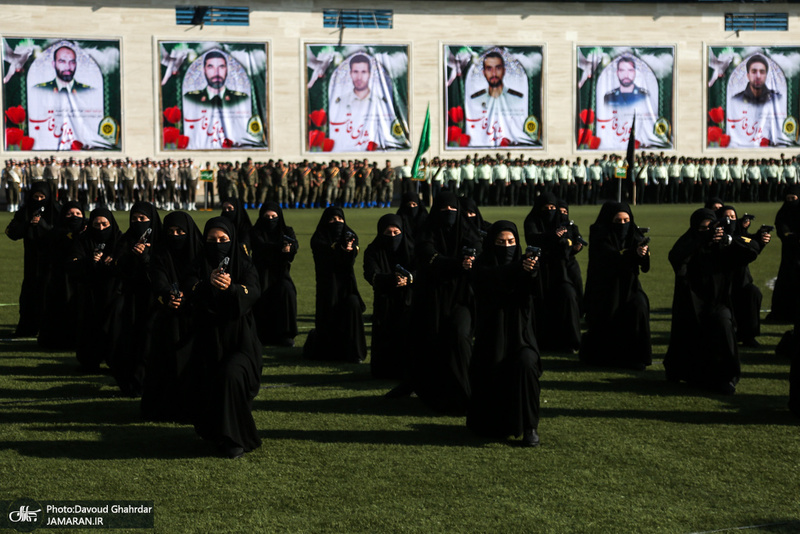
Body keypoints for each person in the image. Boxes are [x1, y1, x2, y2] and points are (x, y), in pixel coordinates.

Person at [189, 217, 262, 459]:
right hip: (208, 343)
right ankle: (218, 432)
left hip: (240, 342)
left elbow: (252, 292)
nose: (217, 244)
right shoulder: (197, 265)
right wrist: (208, 285)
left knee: (231, 375)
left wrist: (231, 288)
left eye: (223, 240)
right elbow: (191, 290)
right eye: (211, 240)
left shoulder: (244, 266)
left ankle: (236, 439)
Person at [664, 208, 758, 394]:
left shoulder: (723, 243)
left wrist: (729, 241)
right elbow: (677, 257)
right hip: (691, 301)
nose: (708, 231)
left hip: (719, 300)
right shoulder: (689, 241)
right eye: (702, 228)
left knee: (723, 324)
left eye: (711, 227)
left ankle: (727, 377)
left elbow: (752, 249)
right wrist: (702, 240)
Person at [467, 220, 542, 447]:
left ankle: (530, 427)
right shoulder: (481, 266)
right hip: (492, 335)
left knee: (527, 364)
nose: (506, 246)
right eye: (501, 242)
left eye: (511, 242)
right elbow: (488, 280)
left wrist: (531, 273)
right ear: (491, 243)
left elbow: (535, 292)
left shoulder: (524, 265)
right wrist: (517, 268)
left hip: (521, 335)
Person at [406, 191, 481, 414]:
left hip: (462, 298)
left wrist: (471, 260)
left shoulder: (469, 231)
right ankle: (438, 394)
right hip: (433, 298)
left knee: (459, 337)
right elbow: (428, 256)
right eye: (443, 209)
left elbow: (478, 251)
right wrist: (458, 264)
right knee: (434, 341)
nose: (448, 214)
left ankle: (466, 393)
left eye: (452, 209)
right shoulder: (426, 233)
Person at [142, 211, 204, 423]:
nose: (176, 236)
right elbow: (158, 280)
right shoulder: (160, 254)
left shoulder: (201, 252)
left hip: (197, 314)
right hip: (170, 314)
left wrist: (190, 294)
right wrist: (169, 296)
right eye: (171, 232)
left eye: (180, 231)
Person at [580, 202, 651, 370]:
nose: (623, 225)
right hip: (605, 287)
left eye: (626, 220)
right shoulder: (599, 234)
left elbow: (644, 265)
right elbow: (608, 257)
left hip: (630, 285)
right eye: (618, 221)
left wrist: (642, 253)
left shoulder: (634, 233)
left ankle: (637, 357)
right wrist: (632, 254)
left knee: (639, 306)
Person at [108, 202, 162, 396]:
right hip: (130, 299)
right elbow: (118, 266)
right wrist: (132, 257)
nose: (138, 223)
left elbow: (160, 272)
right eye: (134, 219)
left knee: (148, 342)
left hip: (154, 300)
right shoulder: (126, 240)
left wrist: (146, 257)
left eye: (143, 219)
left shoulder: (160, 241)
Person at [304, 207, 367, 363]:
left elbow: (349, 259)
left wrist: (348, 249)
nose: (337, 223)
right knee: (329, 316)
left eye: (340, 219)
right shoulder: (318, 238)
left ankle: (355, 352)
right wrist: (340, 248)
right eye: (332, 220)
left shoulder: (350, 236)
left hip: (348, 285)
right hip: (328, 286)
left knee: (353, 306)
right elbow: (325, 255)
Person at [523, 193, 582, 352]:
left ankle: (571, 341)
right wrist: (551, 236)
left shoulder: (561, 222)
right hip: (540, 271)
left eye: (552, 208)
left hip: (560, 270)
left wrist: (572, 245)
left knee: (568, 295)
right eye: (545, 208)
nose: (549, 211)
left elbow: (570, 240)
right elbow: (533, 239)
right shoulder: (531, 221)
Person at [68, 207, 123, 372]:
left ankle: (115, 361)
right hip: (90, 293)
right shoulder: (83, 240)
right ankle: (89, 361)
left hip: (114, 292)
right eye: (96, 224)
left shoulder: (119, 239)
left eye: (104, 224)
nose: (100, 228)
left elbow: (125, 261)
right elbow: (72, 264)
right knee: (89, 328)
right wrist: (89, 261)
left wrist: (112, 262)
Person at [4, 181, 60, 337]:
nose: (39, 200)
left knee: (48, 292)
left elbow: (62, 233)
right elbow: (11, 231)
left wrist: (43, 226)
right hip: (31, 259)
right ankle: (29, 326)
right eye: (36, 196)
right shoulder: (25, 211)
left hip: (51, 260)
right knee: (30, 292)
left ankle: (49, 327)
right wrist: (28, 224)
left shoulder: (55, 211)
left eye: (42, 196)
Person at [363, 214, 415, 379]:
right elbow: (371, 274)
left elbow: (421, 269)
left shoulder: (412, 249)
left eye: (396, 232)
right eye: (388, 233)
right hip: (384, 299)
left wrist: (409, 278)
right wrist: (391, 279)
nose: (392, 237)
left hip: (409, 300)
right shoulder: (373, 250)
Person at [716, 206, 771, 347]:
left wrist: (761, 240)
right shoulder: (715, 238)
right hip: (721, 283)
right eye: (726, 217)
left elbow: (751, 249)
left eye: (733, 217)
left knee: (753, 293)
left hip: (742, 282)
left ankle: (749, 336)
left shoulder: (739, 237)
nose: (730, 220)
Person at [327, 53, 401, 151]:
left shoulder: (380, 103)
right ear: (350, 74)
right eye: (355, 72)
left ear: (369, 74)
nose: (359, 77)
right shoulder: (341, 102)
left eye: (363, 72)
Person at [249, 202, 299, 347]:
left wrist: (289, 249)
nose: (270, 219)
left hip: (281, 273)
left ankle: (286, 334)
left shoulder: (287, 230)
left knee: (287, 291)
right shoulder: (256, 231)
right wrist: (280, 248)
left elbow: (294, 247)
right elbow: (260, 247)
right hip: (260, 273)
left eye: (273, 216)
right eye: (267, 216)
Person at [37, 201, 85, 350]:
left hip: (82, 279)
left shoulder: (88, 232)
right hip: (60, 279)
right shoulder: (54, 234)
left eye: (78, 214)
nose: (74, 217)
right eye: (69, 214)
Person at [182, 51, 253, 149]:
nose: (217, 72)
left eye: (221, 67)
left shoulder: (241, 99)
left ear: (227, 70)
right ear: (204, 70)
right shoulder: (190, 98)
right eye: (211, 67)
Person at [464, 51, 529, 147]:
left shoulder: (517, 99)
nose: (494, 73)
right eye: (489, 69)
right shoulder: (475, 100)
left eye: (498, 68)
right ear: (484, 72)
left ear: (504, 70)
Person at [727, 54, 786, 148]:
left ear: (766, 75)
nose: (758, 76)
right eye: (754, 71)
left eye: (762, 72)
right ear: (747, 75)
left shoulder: (777, 99)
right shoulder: (736, 99)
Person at [767, 186, 800, 322]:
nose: (791, 201)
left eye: (794, 198)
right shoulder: (783, 212)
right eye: (788, 199)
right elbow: (781, 227)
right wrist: (790, 236)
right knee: (787, 280)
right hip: (789, 253)